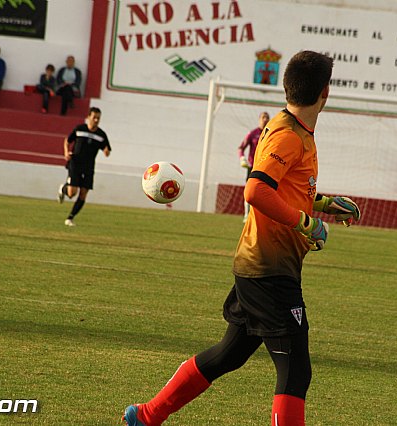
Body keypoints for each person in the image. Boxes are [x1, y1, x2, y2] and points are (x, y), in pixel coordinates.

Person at [122, 51, 361, 426]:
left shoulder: (287, 126)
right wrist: (307, 224)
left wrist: (325, 204)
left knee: (229, 354)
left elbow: (284, 187)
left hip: (257, 266)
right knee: (295, 370)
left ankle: (146, 415)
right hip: (269, 272)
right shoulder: (289, 136)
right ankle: (148, 415)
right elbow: (256, 191)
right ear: (325, 93)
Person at [57, 107, 111, 226]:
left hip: (89, 166)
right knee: (71, 193)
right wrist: (66, 152)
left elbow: (106, 149)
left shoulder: (101, 135)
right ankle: (64, 189)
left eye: (98, 118)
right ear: (88, 117)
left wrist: (106, 151)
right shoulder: (79, 129)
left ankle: (70, 218)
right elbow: (67, 140)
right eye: (94, 117)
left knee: (83, 193)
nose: (96, 120)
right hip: (75, 163)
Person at [238, 111, 270, 221]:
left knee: (265, 192)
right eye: (263, 117)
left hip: (266, 167)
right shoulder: (253, 133)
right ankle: (247, 215)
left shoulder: (271, 134)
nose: (265, 119)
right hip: (253, 167)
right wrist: (242, 158)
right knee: (249, 190)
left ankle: (261, 217)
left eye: (267, 117)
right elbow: (241, 147)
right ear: (259, 119)